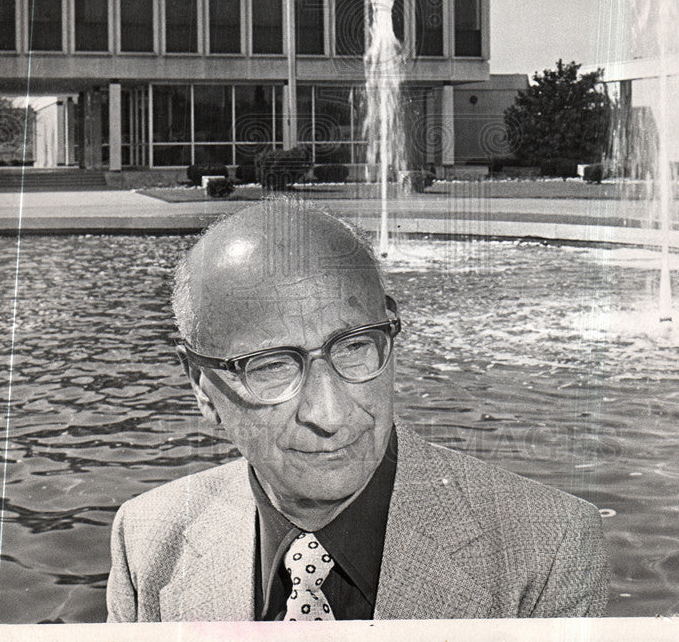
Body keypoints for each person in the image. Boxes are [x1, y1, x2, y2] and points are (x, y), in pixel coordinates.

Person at [107, 201, 609, 622]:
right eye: (271, 367)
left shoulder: (548, 548)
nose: (329, 414)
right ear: (201, 387)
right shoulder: (147, 541)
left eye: (354, 347)